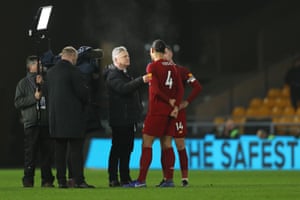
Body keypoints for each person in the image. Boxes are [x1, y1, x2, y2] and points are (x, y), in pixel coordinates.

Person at [125, 39, 184, 188]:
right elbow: (181, 90)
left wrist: (168, 101)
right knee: (167, 144)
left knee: (147, 143)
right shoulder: (173, 67)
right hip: (171, 113)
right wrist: (176, 105)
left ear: (152, 51)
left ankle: (141, 180)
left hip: (157, 111)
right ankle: (168, 180)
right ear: (165, 51)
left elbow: (156, 90)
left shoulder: (152, 66)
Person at [46, 46, 94, 188]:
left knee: (59, 151)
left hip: (55, 118)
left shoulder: (50, 73)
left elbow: (46, 93)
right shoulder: (75, 72)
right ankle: (79, 180)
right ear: (73, 57)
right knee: (75, 150)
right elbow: (82, 94)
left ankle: (61, 181)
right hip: (73, 118)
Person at [103, 46, 151, 187]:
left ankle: (125, 177)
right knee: (118, 148)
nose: (128, 58)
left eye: (128, 55)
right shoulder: (113, 75)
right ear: (116, 59)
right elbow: (123, 89)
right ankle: (113, 178)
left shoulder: (124, 74)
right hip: (120, 119)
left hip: (128, 119)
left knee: (126, 149)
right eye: (124, 56)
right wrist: (141, 80)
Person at [157, 45, 202, 187]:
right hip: (164, 112)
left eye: (166, 52)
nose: (164, 55)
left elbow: (197, 87)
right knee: (164, 145)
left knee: (180, 144)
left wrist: (186, 102)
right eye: (162, 53)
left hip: (178, 113)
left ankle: (184, 178)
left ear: (171, 53)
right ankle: (166, 178)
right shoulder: (158, 70)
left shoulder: (182, 71)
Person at [14, 55, 54, 187]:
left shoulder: (46, 81)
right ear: (30, 66)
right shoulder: (23, 83)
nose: (41, 67)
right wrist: (34, 98)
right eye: (38, 64)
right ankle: (28, 179)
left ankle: (47, 180)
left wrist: (43, 85)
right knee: (30, 153)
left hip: (45, 122)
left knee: (46, 154)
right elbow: (18, 102)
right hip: (31, 123)